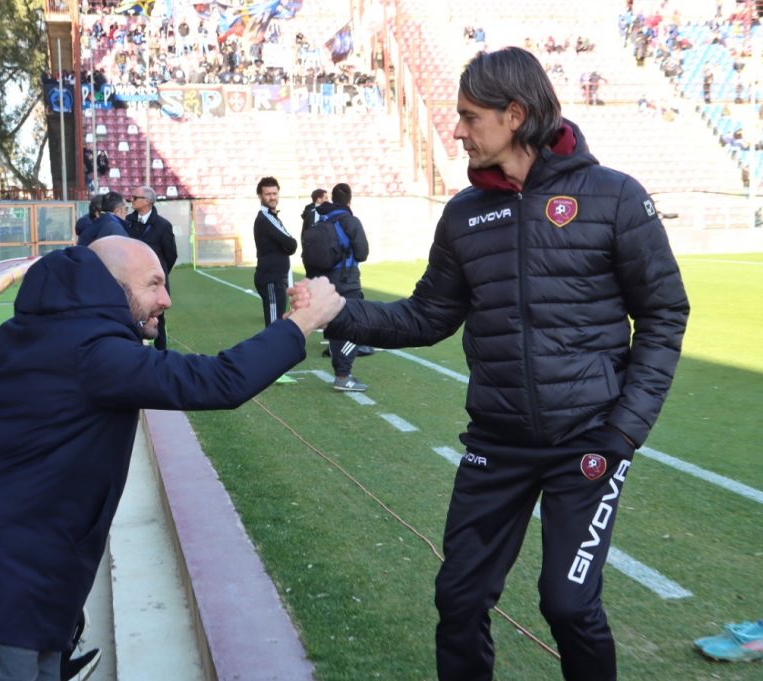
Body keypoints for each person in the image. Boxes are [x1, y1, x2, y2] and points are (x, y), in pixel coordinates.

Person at [291, 47, 688, 681]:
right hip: (496, 444)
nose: (456, 130)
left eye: (469, 117)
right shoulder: (464, 215)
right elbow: (425, 317)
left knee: (568, 605)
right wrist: (336, 311)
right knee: (460, 598)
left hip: (587, 442)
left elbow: (665, 314)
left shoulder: (614, 197)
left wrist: (623, 431)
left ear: (514, 115)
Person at [0, 237, 344, 680]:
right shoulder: (94, 352)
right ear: (111, 287)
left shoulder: (28, 332)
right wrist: (301, 321)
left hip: (16, 586)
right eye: (153, 284)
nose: (165, 298)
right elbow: (218, 381)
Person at [310, 183, 370, 392]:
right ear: (349, 200)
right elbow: (362, 253)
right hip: (347, 280)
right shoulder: (350, 221)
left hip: (326, 281)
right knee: (357, 326)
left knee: (336, 326)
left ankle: (340, 373)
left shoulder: (321, 219)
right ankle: (343, 375)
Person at [125, 186, 178, 350]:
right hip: (131, 281)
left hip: (154, 284)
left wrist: (158, 276)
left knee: (157, 319)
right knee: (130, 317)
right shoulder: (127, 222)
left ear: (147, 201)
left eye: (135, 198)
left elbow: (171, 255)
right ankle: (134, 352)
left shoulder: (163, 225)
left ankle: (162, 355)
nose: (131, 200)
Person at [252, 177, 297, 328]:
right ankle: (269, 351)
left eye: (274, 193)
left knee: (278, 322)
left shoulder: (273, 217)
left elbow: (288, 244)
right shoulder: (265, 218)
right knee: (273, 325)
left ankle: (275, 350)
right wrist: (287, 246)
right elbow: (291, 244)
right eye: (268, 194)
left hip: (277, 278)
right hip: (270, 279)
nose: (272, 197)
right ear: (260, 196)